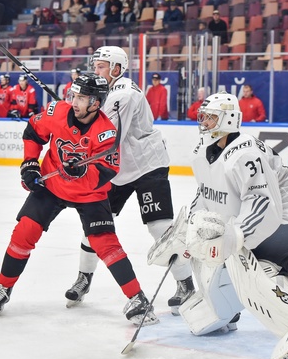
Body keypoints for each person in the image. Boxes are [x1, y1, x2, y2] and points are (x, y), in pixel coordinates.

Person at [147, 91, 288, 359]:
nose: (204, 122)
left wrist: (236, 235)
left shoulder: (245, 153)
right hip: (271, 215)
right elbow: (205, 194)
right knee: (218, 251)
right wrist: (187, 233)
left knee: (254, 268)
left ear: (228, 119)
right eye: (203, 117)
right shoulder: (202, 151)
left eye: (211, 118)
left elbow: (261, 201)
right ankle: (227, 312)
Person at [0, 73, 158, 327]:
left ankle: (138, 298)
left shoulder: (106, 133)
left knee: (106, 244)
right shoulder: (57, 112)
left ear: (96, 103)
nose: (74, 102)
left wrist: (82, 171)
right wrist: (30, 164)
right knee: (24, 231)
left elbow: (106, 172)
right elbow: (33, 131)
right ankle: (3, 286)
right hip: (52, 186)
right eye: (73, 96)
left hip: (89, 194)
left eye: (82, 98)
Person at [64, 46, 194, 314]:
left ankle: (186, 284)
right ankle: (83, 279)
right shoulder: (104, 91)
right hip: (118, 170)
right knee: (95, 224)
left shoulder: (123, 95)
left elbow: (109, 140)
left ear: (116, 69)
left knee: (160, 228)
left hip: (148, 166)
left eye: (101, 66)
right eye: (95, 66)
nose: (96, 71)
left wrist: (77, 127)